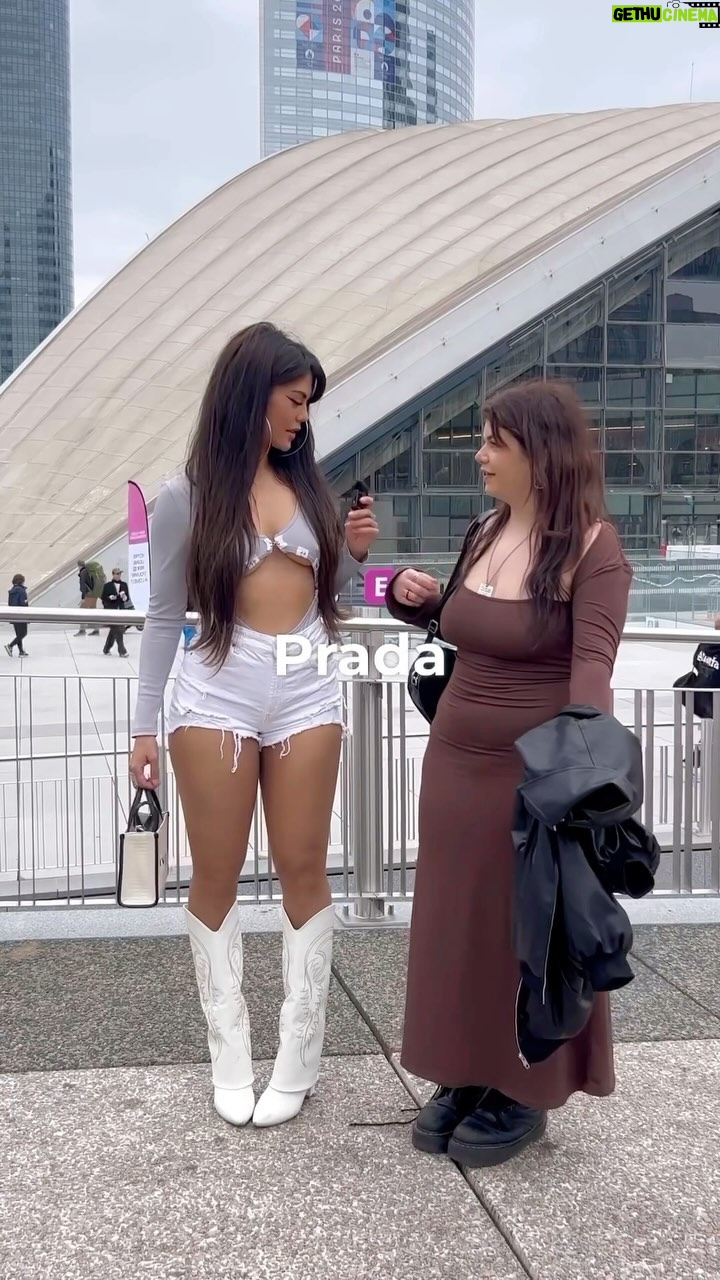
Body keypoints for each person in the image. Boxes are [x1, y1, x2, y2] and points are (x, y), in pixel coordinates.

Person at [129, 322, 378, 1130]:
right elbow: (163, 616)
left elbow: (328, 596)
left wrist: (354, 555)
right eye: (294, 400)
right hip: (216, 692)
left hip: (306, 686)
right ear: (251, 394)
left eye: (308, 403)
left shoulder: (309, 489)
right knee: (217, 870)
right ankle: (228, 1052)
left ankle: (298, 1056)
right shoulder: (186, 496)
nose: (304, 417)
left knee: (305, 864)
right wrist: (141, 729)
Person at [385, 379, 632, 1169]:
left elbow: (592, 667)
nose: (481, 455)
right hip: (453, 768)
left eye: (495, 442)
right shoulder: (483, 529)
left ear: (541, 453)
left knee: (529, 928)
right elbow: (468, 627)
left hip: (531, 783)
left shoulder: (593, 547)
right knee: (459, 923)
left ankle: (524, 1087)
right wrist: (420, 602)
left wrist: (582, 779)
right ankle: (466, 1068)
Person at [101, 568, 130, 656]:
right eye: (117, 573)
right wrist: (109, 598)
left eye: (120, 573)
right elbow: (103, 597)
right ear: (113, 574)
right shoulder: (107, 585)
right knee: (118, 630)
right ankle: (122, 651)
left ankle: (106, 649)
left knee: (114, 631)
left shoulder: (124, 585)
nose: (119, 575)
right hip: (111, 611)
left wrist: (124, 597)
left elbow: (127, 599)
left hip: (121, 611)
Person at [5, 574, 29, 657]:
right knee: (23, 633)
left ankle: (21, 651)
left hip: (14, 615)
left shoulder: (12, 591)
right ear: (21, 581)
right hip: (21, 614)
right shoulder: (21, 591)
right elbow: (23, 603)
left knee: (19, 634)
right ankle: (10, 646)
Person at [76, 560, 100, 636]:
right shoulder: (90, 571)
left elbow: (83, 586)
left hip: (88, 595)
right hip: (94, 594)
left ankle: (82, 630)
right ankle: (96, 630)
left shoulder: (83, 573)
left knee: (82, 611)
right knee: (93, 612)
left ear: (79, 566)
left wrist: (83, 598)